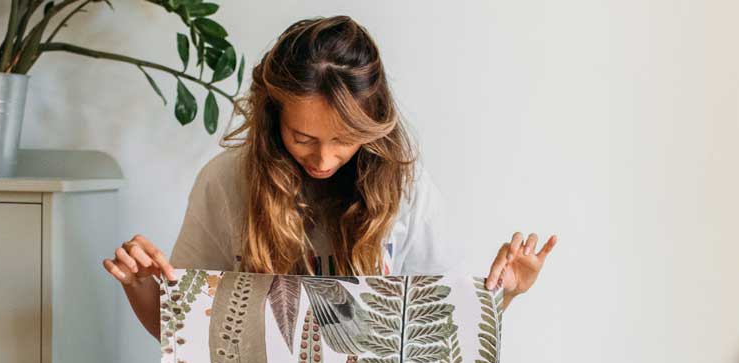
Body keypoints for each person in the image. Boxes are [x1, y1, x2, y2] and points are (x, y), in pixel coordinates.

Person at [104, 15, 556, 336]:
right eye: (302, 137)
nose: (323, 159)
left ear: (372, 123)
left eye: (344, 139)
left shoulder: (405, 186)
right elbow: (186, 339)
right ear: (272, 114)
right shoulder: (225, 182)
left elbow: (444, 332)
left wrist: (505, 295)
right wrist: (143, 289)